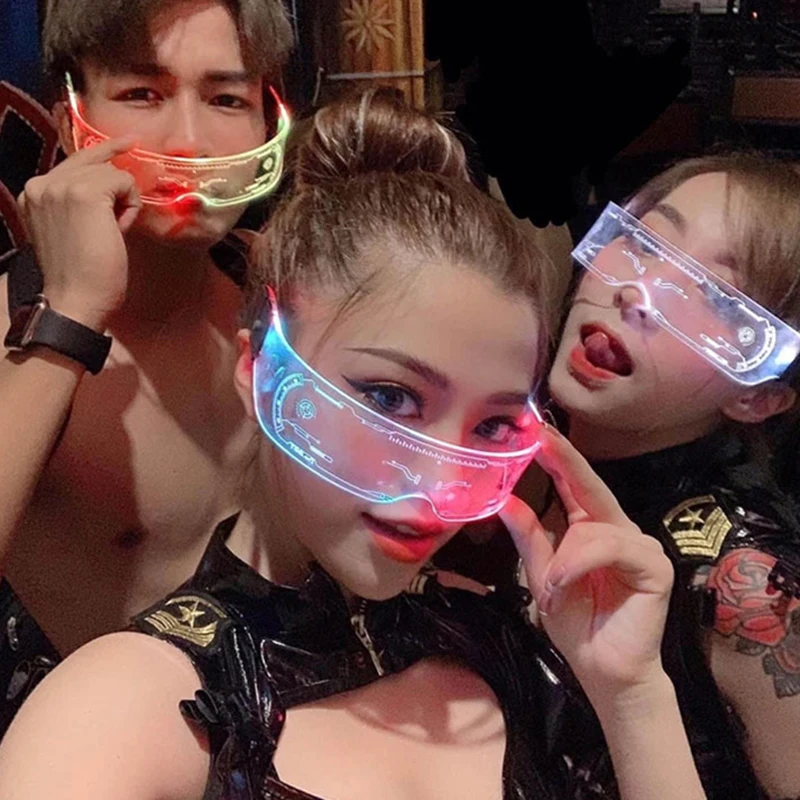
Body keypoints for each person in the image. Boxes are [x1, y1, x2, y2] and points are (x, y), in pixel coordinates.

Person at [0, 89, 704, 800]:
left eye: (491, 425)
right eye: (389, 397)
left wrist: (634, 698)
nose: (437, 485)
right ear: (261, 369)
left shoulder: (503, 638)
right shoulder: (124, 711)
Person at [0, 0, 293, 732]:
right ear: (72, 120)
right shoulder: (9, 322)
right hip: (95, 747)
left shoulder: (291, 293)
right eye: (141, 93)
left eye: (226, 99)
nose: (189, 140)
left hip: (293, 727)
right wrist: (71, 311)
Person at [547, 154, 800, 798]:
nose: (639, 295)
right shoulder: (518, 431)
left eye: (715, 297)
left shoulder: (746, 581)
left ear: (758, 397)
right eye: (644, 243)